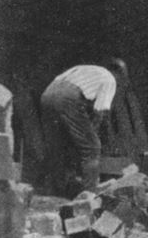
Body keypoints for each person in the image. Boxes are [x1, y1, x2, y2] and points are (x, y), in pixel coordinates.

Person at [39, 64, 118, 197]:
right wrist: (91, 138)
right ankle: (89, 196)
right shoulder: (110, 79)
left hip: (47, 94)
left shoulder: (86, 69)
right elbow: (100, 112)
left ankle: (53, 194)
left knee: (56, 147)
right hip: (67, 97)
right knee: (92, 148)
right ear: (118, 74)